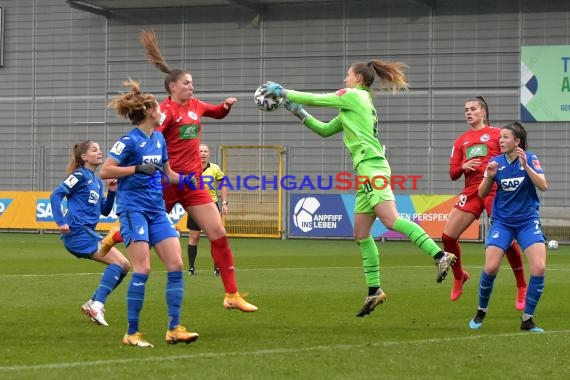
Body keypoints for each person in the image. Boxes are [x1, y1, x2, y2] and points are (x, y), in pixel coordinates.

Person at [259, 59, 456, 317]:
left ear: (358, 79)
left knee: (390, 219)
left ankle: (439, 254)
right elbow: (325, 130)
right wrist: (298, 112)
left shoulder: (353, 96)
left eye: (347, 75)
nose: (344, 80)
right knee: (361, 234)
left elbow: (317, 99)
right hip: (365, 171)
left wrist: (284, 92)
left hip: (372, 166)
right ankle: (374, 290)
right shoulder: (356, 104)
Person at [140, 30, 257, 312]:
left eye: (192, 83)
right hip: (167, 182)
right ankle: (113, 237)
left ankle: (232, 294)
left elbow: (215, 112)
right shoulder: (165, 113)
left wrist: (226, 107)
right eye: (187, 83)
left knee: (218, 232)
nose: (192, 87)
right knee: (139, 227)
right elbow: (151, 138)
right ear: (172, 88)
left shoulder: (195, 106)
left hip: (193, 184)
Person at [100, 78, 199, 348]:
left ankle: (174, 328)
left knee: (176, 265)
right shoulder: (129, 141)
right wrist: (135, 169)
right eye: (158, 108)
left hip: (156, 210)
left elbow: (169, 175)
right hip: (133, 210)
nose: (163, 111)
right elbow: (105, 171)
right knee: (143, 267)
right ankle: (132, 333)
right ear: (149, 113)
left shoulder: (158, 139)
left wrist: (190, 180)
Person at [443, 97, 527, 306]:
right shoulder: (461, 141)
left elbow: (515, 156)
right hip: (472, 192)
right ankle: (459, 275)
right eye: (466, 110)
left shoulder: (498, 134)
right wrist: (463, 165)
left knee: (506, 240)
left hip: (495, 190)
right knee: (447, 237)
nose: (468, 113)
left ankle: (521, 286)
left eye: (472, 109)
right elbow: (453, 173)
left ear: (484, 112)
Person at [469, 122, 548, 332]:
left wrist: (526, 167)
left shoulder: (530, 158)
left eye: (505, 137)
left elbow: (543, 186)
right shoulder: (495, 162)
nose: (501, 141)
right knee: (491, 267)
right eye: (500, 137)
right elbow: (481, 193)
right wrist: (490, 176)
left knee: (539, 268)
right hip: (502, 222)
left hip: (527, 221)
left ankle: (527, 320)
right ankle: (480, 311)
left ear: (517, 141)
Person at [50, 141, 130, 327]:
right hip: (78, 233)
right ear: (84, 157)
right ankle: (96, 305)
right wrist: (61, 222)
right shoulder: (79, 175)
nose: (100, 152)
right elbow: (56, 195)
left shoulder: (94, 179)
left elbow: (104, 210)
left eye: (99, 149)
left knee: (124, 266)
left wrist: (111, 191)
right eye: (94, 150)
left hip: (87, 233)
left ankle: (93, 303)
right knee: (119, 264)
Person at [186, 143, 228, 277]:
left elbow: (224, 184)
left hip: (211, 206)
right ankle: (191, 268)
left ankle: (217, 267)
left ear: (208, 154)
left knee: (214, 237)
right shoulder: (190, 168)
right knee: (194, 237)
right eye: (200, 151)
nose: (203, 153)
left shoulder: (215, 168)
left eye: (205, 151)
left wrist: (225, 203)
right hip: (195, 207)